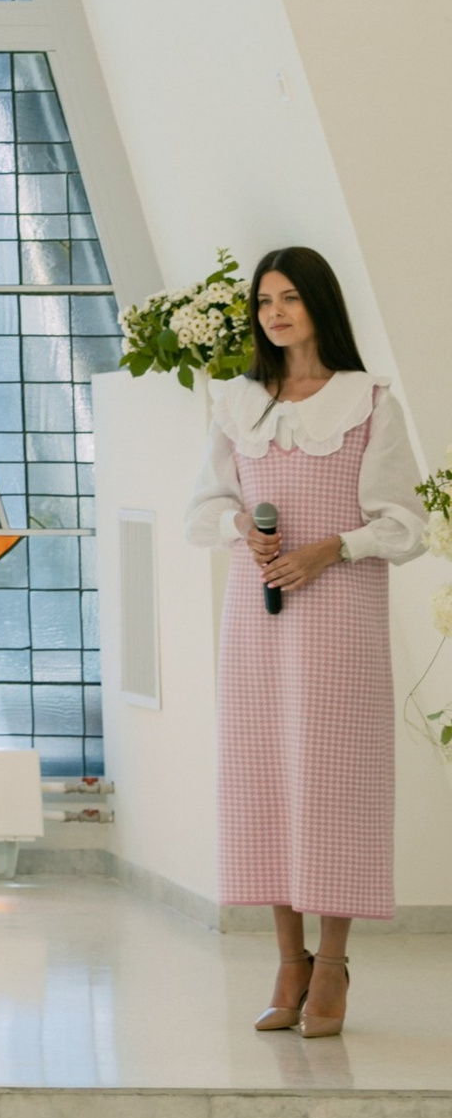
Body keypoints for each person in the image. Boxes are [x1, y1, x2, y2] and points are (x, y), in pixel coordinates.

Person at [187, 245, 425, 1039]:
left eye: (290, 297)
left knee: (334, 778)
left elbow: (406, 523)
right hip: (255, 619)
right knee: (264, 775)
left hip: (339, 614)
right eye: (264, 301)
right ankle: (286, 961)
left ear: (321, 302)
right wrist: (239, 534)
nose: (276, 313)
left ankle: (332, 963)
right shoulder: (236, 403)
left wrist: (331, 548)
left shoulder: (369, 401)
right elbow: (205, 507)